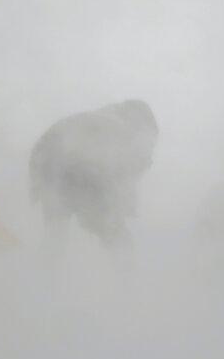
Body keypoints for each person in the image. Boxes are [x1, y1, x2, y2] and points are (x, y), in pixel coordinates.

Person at [29, 99, 158, 250]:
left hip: (45, 164)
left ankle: (44, 262)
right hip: (79, 169)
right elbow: (120, 175)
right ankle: (125, 266)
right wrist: (118, 210)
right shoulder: (122, 131)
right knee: (116, 235)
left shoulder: (91, 121)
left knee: (55, 232)